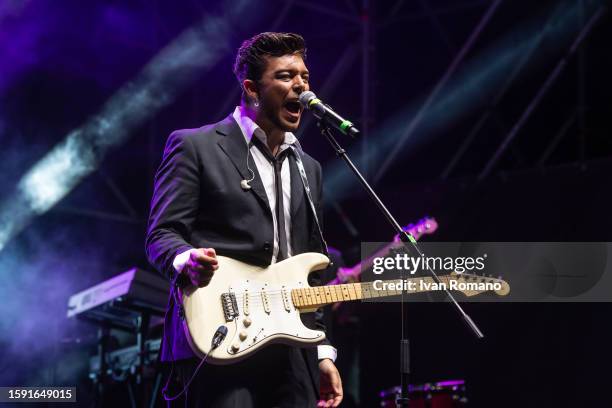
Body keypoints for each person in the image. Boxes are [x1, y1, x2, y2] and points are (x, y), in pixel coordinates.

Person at [146, 32, 343, 407]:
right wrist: (186, 260)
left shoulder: (310, 168)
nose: (301, 86)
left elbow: (311, 272)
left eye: (304, 76)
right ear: (252, 88)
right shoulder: (196, 146)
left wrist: (322, 351)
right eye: (286, 76)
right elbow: (162, 234)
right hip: (216, 336)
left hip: (288, 349)